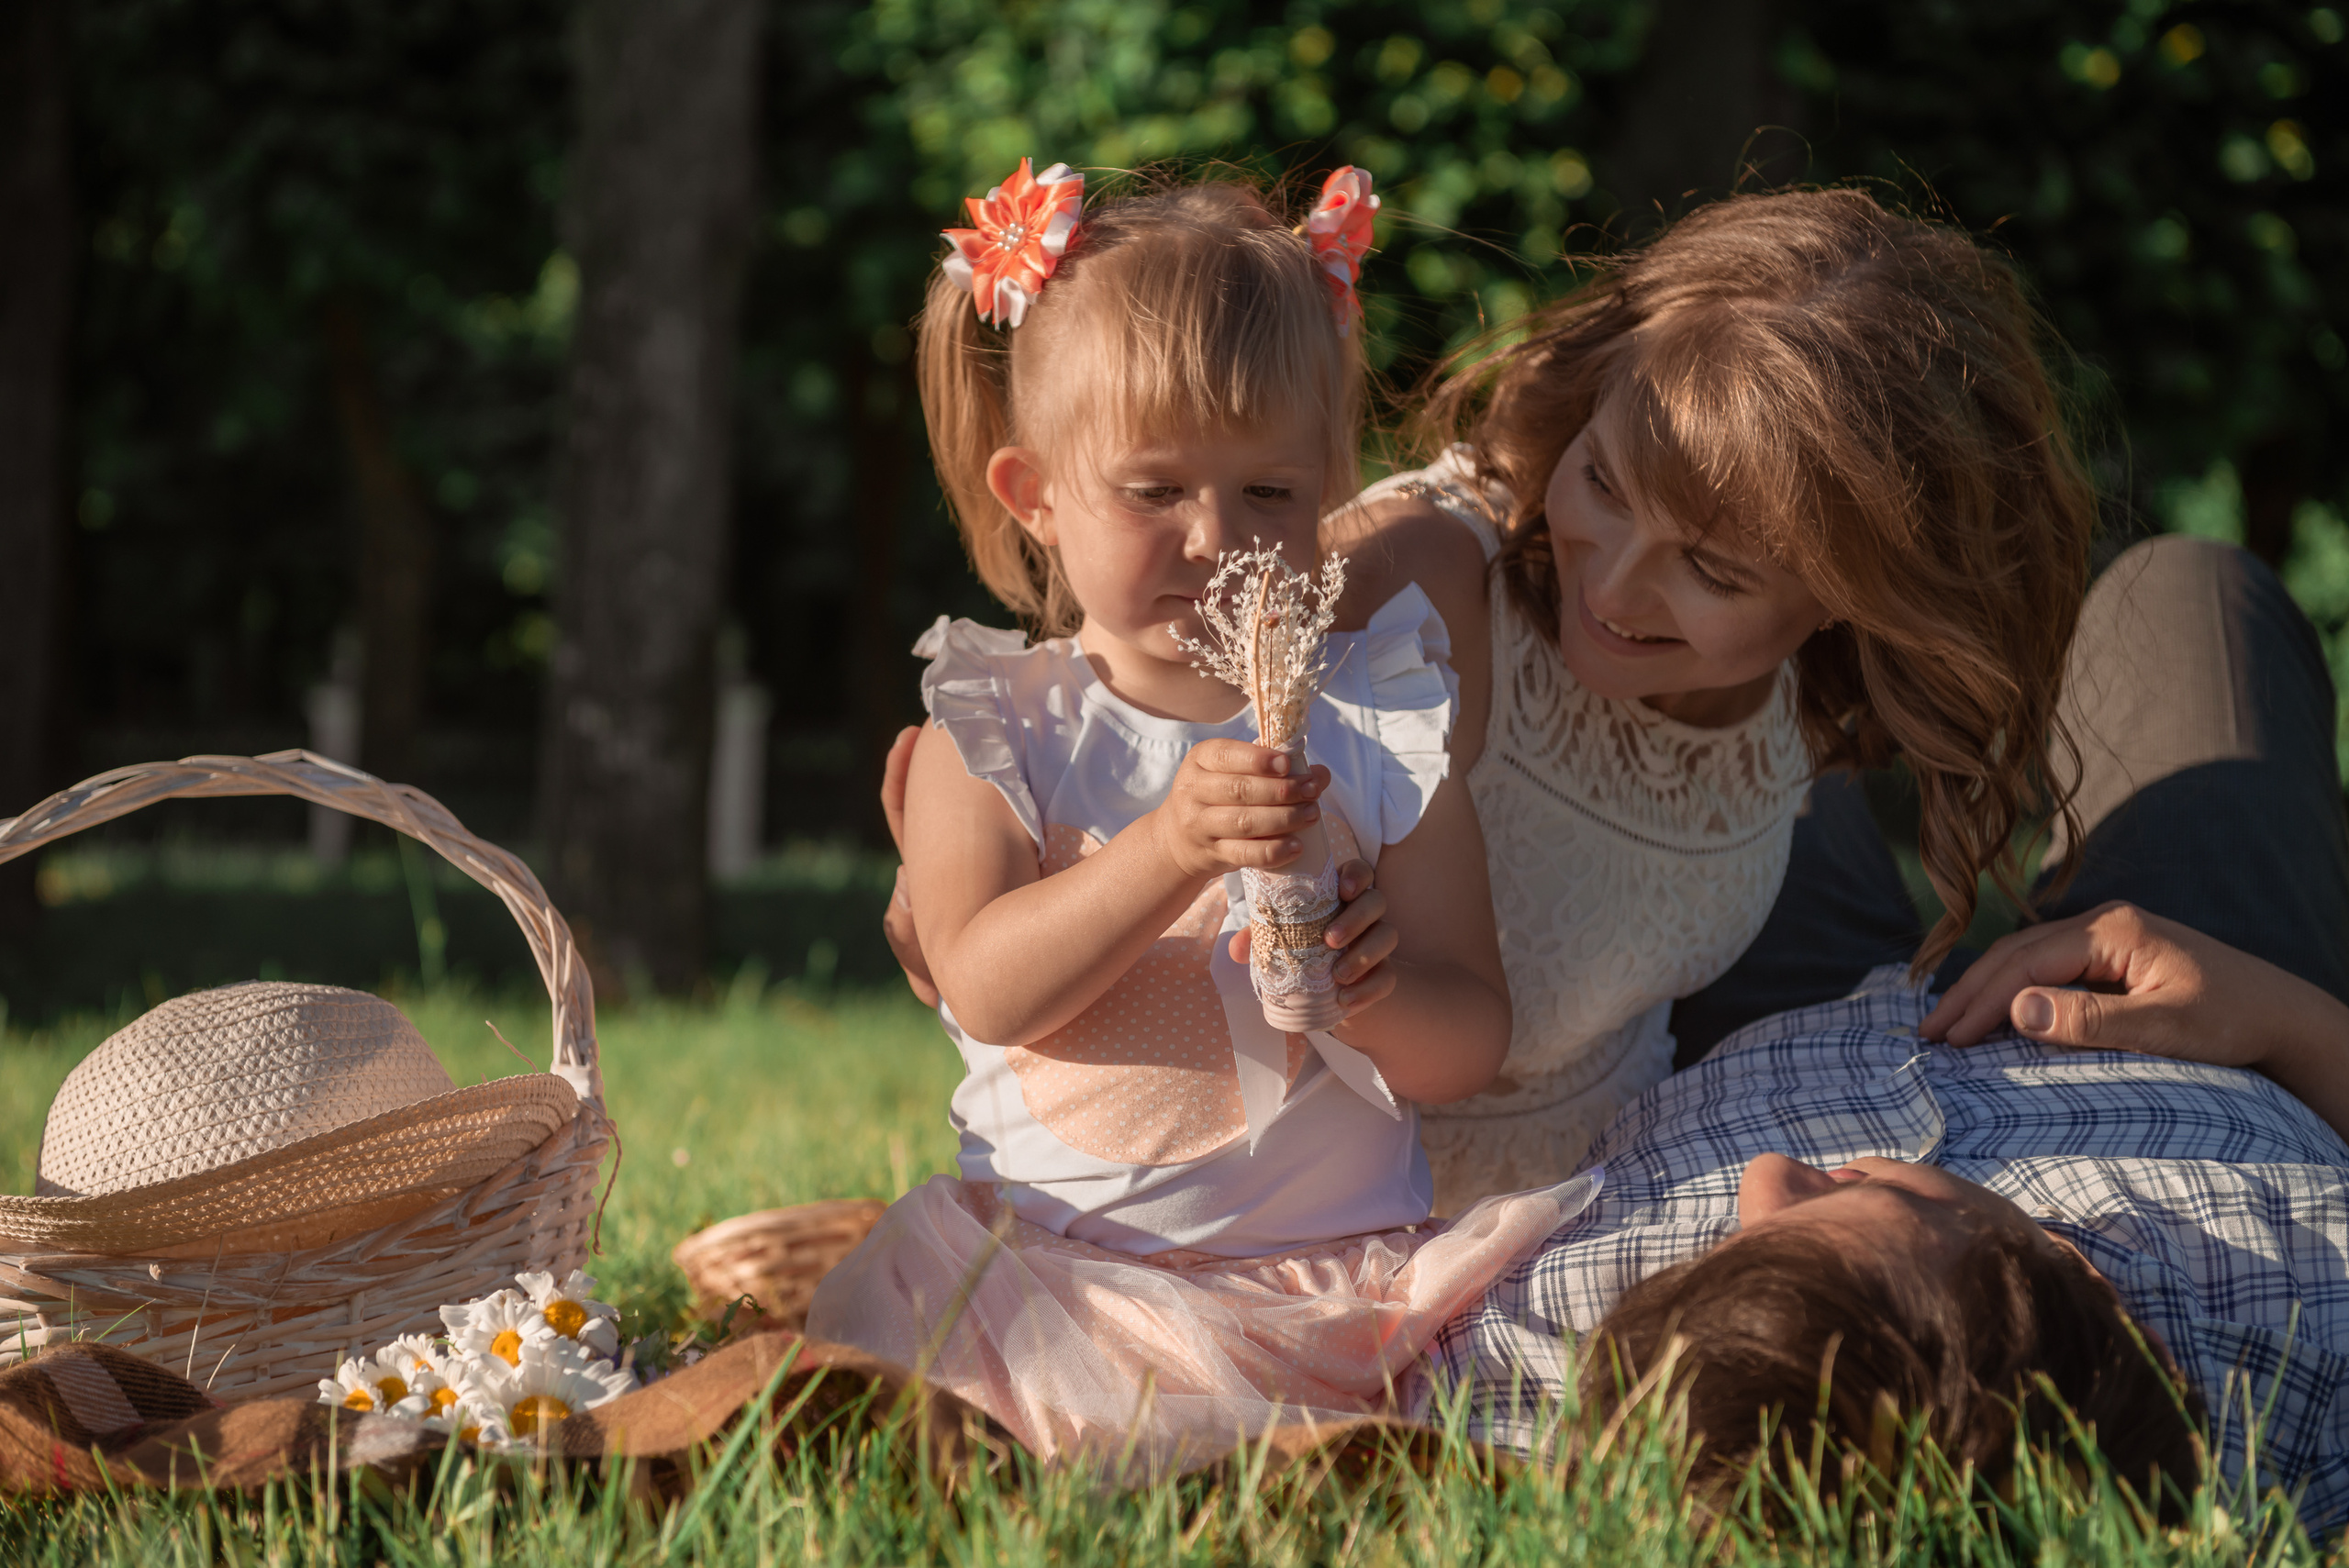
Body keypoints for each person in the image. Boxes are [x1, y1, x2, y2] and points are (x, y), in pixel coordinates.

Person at [808, 161, 1590, 1472]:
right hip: (1063, 1285)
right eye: (1154, 490)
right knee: (998, 1454)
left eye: (1270, 493)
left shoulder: (1375, 714)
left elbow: (1468, 1037)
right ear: (1034, 495)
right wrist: (1166, 847)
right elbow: (985, 984)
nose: (1219, 537)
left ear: (1328, 486)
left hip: (1330, 1283)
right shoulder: (1000, 728)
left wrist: (1367, 993)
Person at [1426, 534, 2349, 1533]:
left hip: (1775, 1014)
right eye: (1858, 1190)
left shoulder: (1613, 1377)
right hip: (2204, 1023)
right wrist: (2282, 1016)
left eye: (1720, 1257)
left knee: (1733, 681)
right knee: (2190, 591)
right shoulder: (2308, 1337)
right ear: (2074, 1275)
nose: (1767, 1178)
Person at [1323, 188, 2100, 1210]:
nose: (1612, 589)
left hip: (1624, 1176)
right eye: (1602, 481)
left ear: (1854, 593)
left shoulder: (1805, 682)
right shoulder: (1418, 592)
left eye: (1713, 571)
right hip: (1365, 1215)